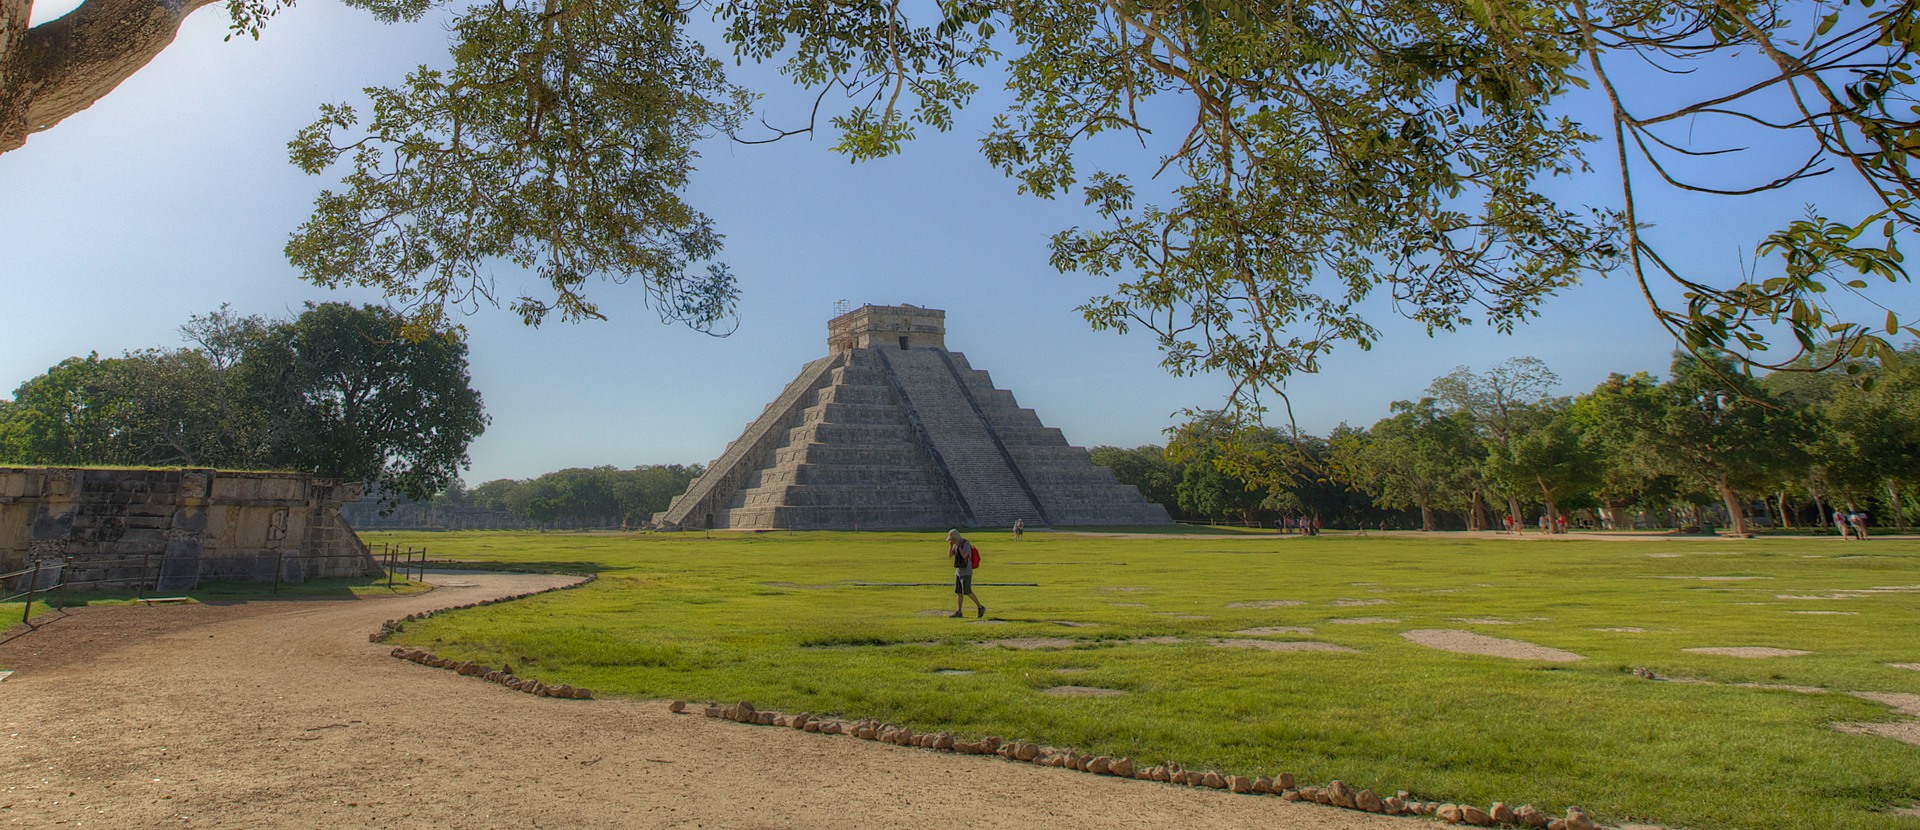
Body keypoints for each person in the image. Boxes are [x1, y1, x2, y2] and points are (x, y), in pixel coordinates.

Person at [946, 529, 986, 618]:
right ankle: (959, 611)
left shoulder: (965, 544)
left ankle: (980, 606)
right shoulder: (955, 545)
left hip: (966, 572)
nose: (951, 540)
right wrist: (951, 546)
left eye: (952, 539)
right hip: (958, 572)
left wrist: (958, 545)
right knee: (959, 592)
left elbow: (964, 555)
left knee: (967, 591)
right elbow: (950, 555)